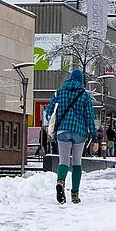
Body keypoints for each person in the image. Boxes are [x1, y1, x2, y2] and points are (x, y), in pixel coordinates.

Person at [46, 69, 96, 204]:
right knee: (77, 162)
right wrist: (94, 133)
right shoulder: (84, 95)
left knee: (63, 161)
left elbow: (49, 110)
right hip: (80, 132)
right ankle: (74, 194)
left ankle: (60, 182)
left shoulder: (59, 92)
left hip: (62, 131)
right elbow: (90, 116)